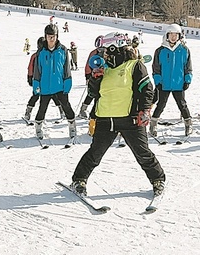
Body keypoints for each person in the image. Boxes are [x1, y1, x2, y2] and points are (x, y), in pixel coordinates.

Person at [70, 33, 165, 200]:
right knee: (95, 152)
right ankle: (79, 180)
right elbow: (93, 93)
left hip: (131, 120)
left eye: (106, 50)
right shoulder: (103, 68)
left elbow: (147, 89)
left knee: (142, 152)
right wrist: (94, 79)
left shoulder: (135, 65)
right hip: (106, 119)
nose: (103, 54)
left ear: (115, 48)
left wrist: (145, 110)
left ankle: (158, 179)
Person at [31, 24, 76, 139]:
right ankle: (38, 126)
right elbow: (37, 70)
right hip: (45, 86)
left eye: (53, 36)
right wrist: (36, 83)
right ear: (45, 37)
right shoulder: (41, 52)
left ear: (57, 36)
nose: (51, 39)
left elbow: (66, 68)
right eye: (49, 36)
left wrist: (68, 81)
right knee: (42, 108)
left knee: (66, 106)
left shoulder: (63, 50)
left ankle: (72, 125)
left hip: (59, 85)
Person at [150, 24, 193, 137]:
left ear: (179, 36)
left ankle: (188, 124)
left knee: (182, 104)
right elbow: (156, 68)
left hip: (179, 83)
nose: (173, 37)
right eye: (171, 35)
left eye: (176, 35)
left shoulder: (184, 50)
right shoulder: (160, 51)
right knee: (161, 105)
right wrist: (158, 81)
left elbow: (188, 67)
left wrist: (187, 80)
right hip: (164, 84)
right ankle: (153, 124)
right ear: (167, 35)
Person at [23, 36, 65, 122]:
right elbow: (30, 67)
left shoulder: (46, 53)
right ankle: (28, 113)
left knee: (54, 96)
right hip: (38, 80)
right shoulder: (36, 55)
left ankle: (62, 112)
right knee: (36, 95)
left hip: (47, 81)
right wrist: (30, 78)